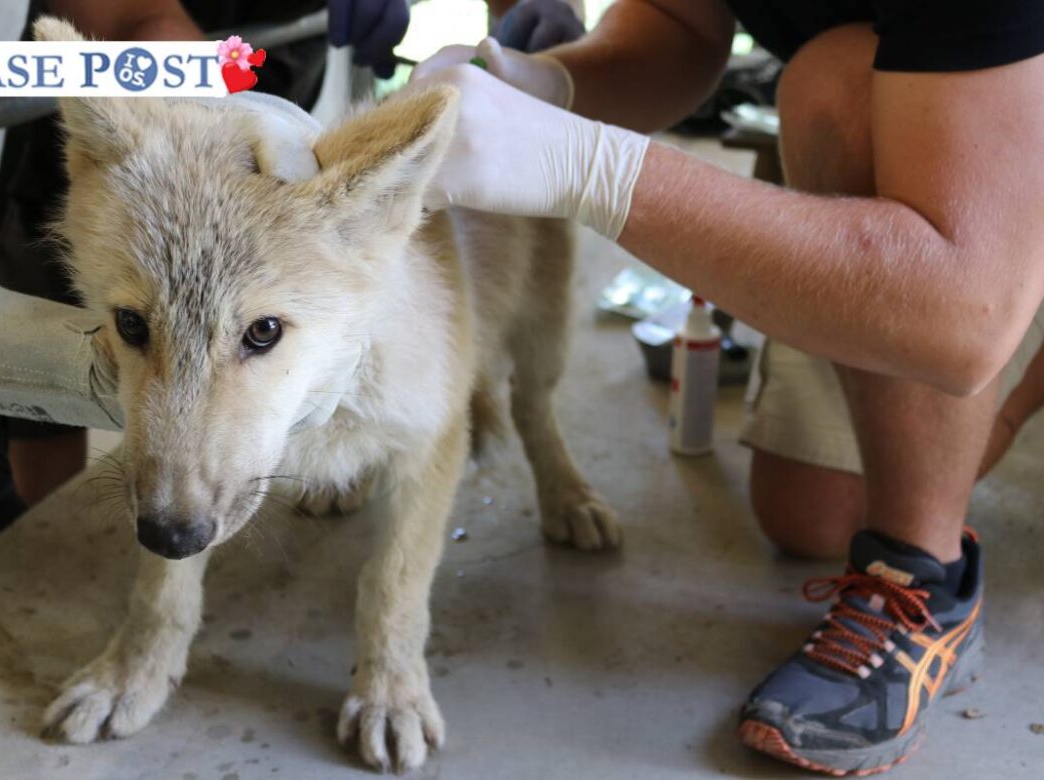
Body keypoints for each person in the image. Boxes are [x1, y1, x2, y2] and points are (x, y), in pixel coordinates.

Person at [408, 0, 1044, 775]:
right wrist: (549, 85)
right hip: (945, 106)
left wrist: (586, 165)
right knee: (815, 512)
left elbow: (961, 313)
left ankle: (925, 577)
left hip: (998, 157)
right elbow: (680, 28)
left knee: (836, 85)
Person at [0, 0, 411, 616]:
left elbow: (130, 13)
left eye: (262, 333)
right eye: (132, 325)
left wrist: (200, 103)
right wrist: (21, 359)